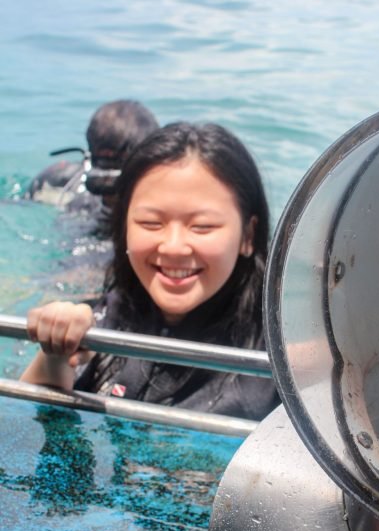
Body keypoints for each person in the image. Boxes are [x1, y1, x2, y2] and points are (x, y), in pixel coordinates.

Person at [21, 121, 278, 422]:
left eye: (202, 226)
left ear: (248, 236)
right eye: (150, 223)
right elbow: (23, 423)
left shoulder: (282, 356)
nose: (173, 247)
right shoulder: (109, 314)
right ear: (123, 227)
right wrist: (57, 350)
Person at [28, 99, 159, 221]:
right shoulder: (59, 179)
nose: (107, 178)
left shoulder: (55, 180)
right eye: (103, 160)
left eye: (117, 161)